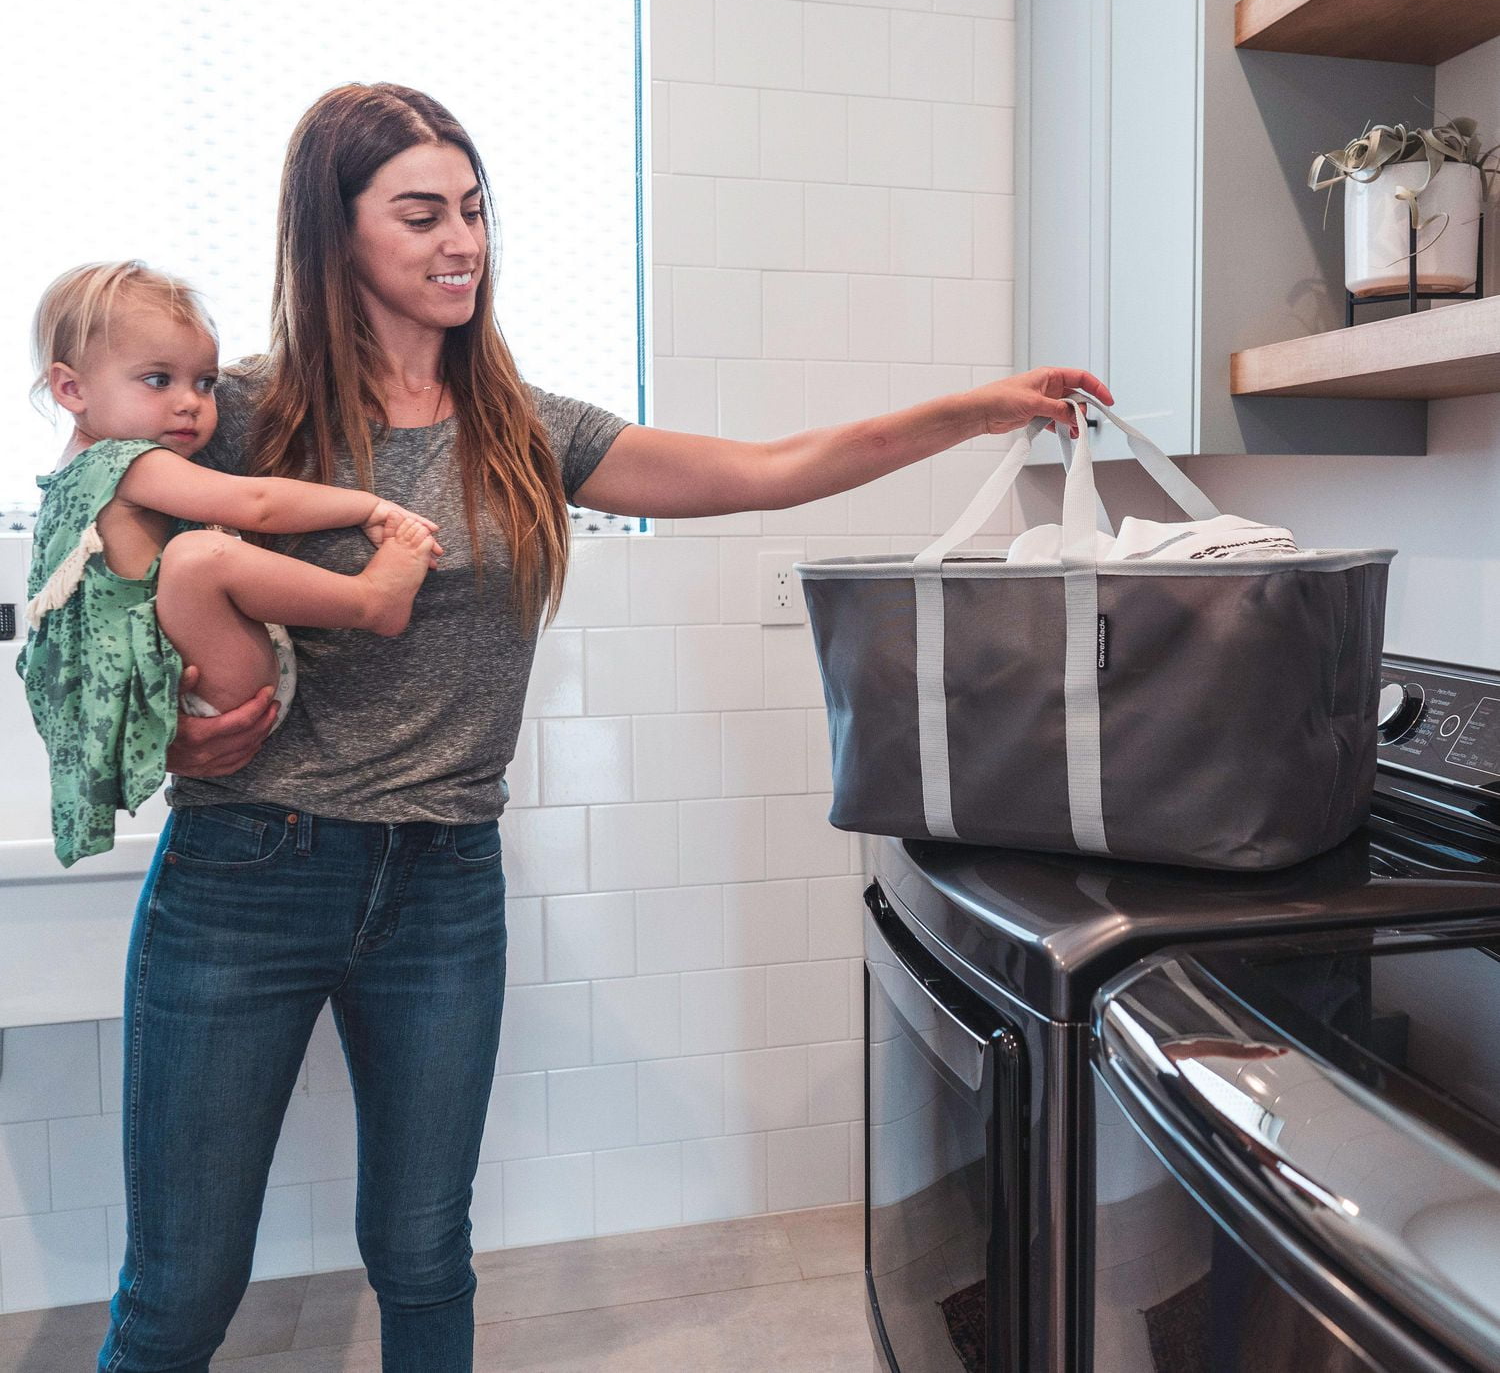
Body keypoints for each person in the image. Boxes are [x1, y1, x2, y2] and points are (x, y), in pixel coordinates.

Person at [98, 81, 1113, 1373]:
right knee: (182, 1293)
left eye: (473, 210)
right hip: (247, 875)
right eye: (419, 214)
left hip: (443, 880)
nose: (462, 239)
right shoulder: (236, 418)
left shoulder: (526, 432)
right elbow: (89, 609)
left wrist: (975, 411)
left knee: (422, 1257)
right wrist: (172, 743)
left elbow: (763, 469)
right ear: (332, 231)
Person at [19, 260, 440, 869]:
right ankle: (373, 600)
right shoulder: (130, 463)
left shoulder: (75, 473)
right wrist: (367, 505)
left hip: (205, 691)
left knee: (195, 559)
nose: (190, 403)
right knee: (196, 558)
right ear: (71, 389)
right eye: (158, 380)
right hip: (203, 697)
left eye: (205, 383)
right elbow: (259, 502)